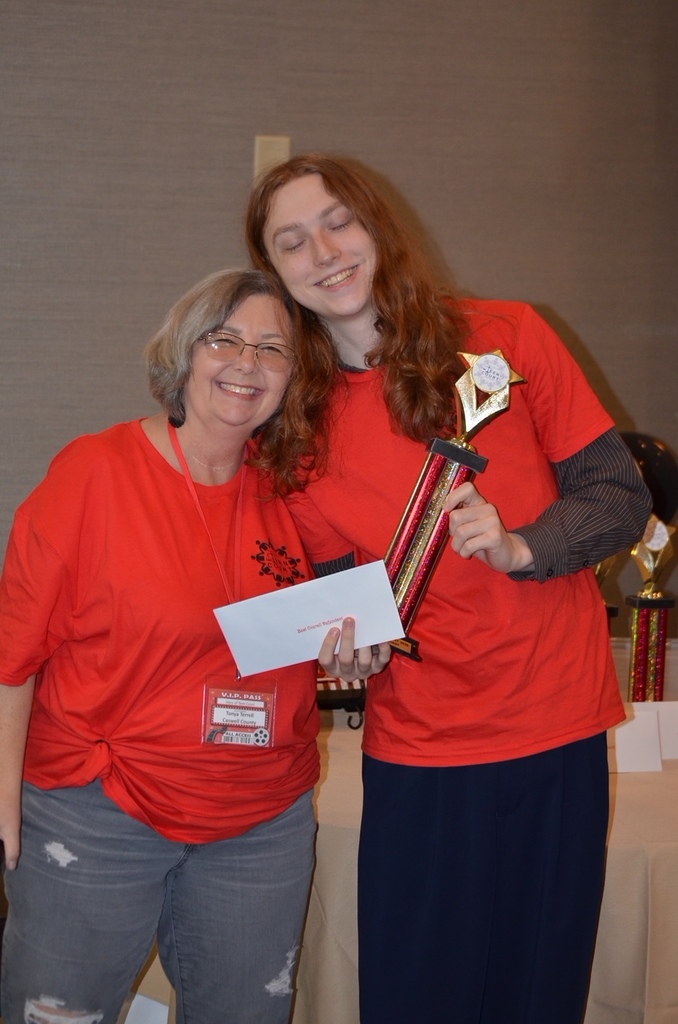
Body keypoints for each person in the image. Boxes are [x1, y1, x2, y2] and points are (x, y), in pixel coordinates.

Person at [245, 155, 653, 1024]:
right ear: (277, 275)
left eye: (338, 223)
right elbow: (330, 598)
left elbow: (621, 497)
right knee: (416, 998)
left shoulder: (506, 336)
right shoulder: (296, 428)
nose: (324, 251)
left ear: (377, 228)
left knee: (538, 994)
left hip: (556, 732)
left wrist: (521, 547)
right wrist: (345, 648)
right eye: (292, 243)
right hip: (421, 757)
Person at [0, 268, 390, 1024]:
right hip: (100, 809)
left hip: (262, 823)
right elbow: (11, 656)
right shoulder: (94, 475)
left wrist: (355, 652)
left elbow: (331, 623)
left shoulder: (295, 492)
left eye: (273, 349)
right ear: (183, 353)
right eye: (226, 340)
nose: (248, 363)